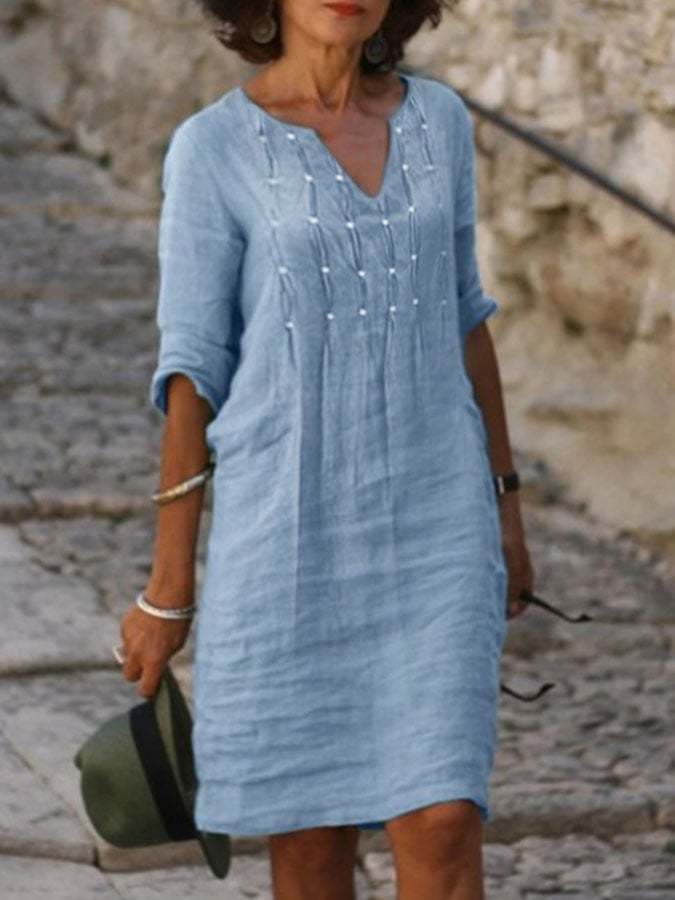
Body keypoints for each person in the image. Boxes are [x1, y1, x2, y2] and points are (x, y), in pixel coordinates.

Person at [119, 1, 535, 897]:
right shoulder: (212, 147)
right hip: (286, 538)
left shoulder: (439, 121)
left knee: (443, 817)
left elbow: (465, 317)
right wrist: (168, 587)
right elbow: (193, 372)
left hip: (437, 525)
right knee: (309, 840)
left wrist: (505, 507)